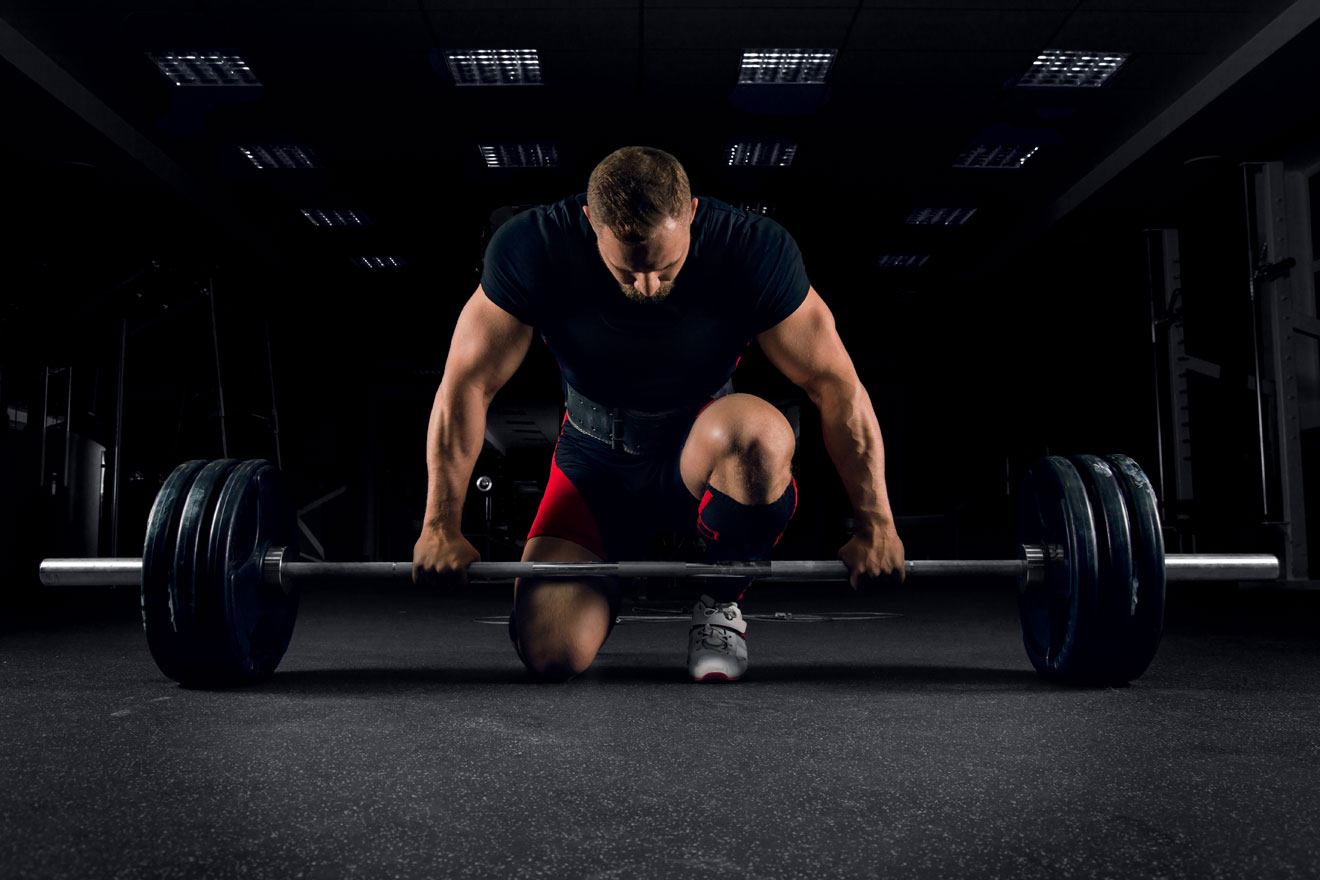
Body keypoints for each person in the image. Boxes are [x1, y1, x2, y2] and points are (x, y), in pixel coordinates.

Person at [413, 145, 904, 682]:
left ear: (691, 213)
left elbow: (834, 385)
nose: (647, 287)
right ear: (590, 224)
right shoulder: (533, 246)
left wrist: (876, 522)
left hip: (700, 453)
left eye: (665, 266)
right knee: (552, 653)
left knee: (761, 435)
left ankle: (719, 606)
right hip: (593, 463)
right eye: (628, 271)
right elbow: (467, 384)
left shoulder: (750, 247)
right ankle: (600, 583)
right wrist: (440, 524)